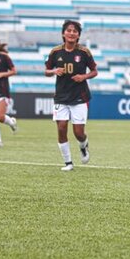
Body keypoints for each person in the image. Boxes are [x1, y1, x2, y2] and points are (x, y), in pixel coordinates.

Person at [44, 20, 98, 171]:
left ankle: (83, 146)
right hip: (61, 96)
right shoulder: (55, 52)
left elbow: (94, 71)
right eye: (69, 30)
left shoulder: (84, 52)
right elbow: (46, 71)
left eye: (75, 31)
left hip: (79, 97)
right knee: (61, 128)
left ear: (78, 35)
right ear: (63, 33)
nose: (71, 33)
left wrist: (83, 77)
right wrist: (54, 71)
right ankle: (68, 163)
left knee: (78, 133)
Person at [0, 36, 18, 147]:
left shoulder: (4, 57)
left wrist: (2, 74)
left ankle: (12, 122)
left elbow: (14, 71)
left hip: (2, 91)